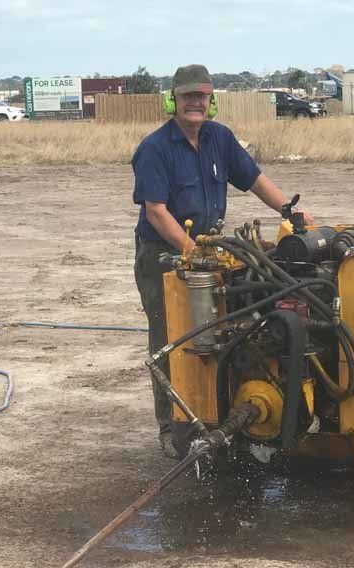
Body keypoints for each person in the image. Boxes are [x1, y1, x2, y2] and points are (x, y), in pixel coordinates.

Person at [132, 64, 313, 457]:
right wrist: (191, 252)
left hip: (209, 254)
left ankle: (222, 415)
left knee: (225, 331)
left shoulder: (219, 138)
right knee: (172, 340)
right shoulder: (155, 149)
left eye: (202, 96)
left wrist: (290, 211)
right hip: (165, 256)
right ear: (172, 101)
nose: (195, 103)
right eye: (187, 96)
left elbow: (254, 179)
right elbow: (156, 211)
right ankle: (174, 429)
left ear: (211, 101)